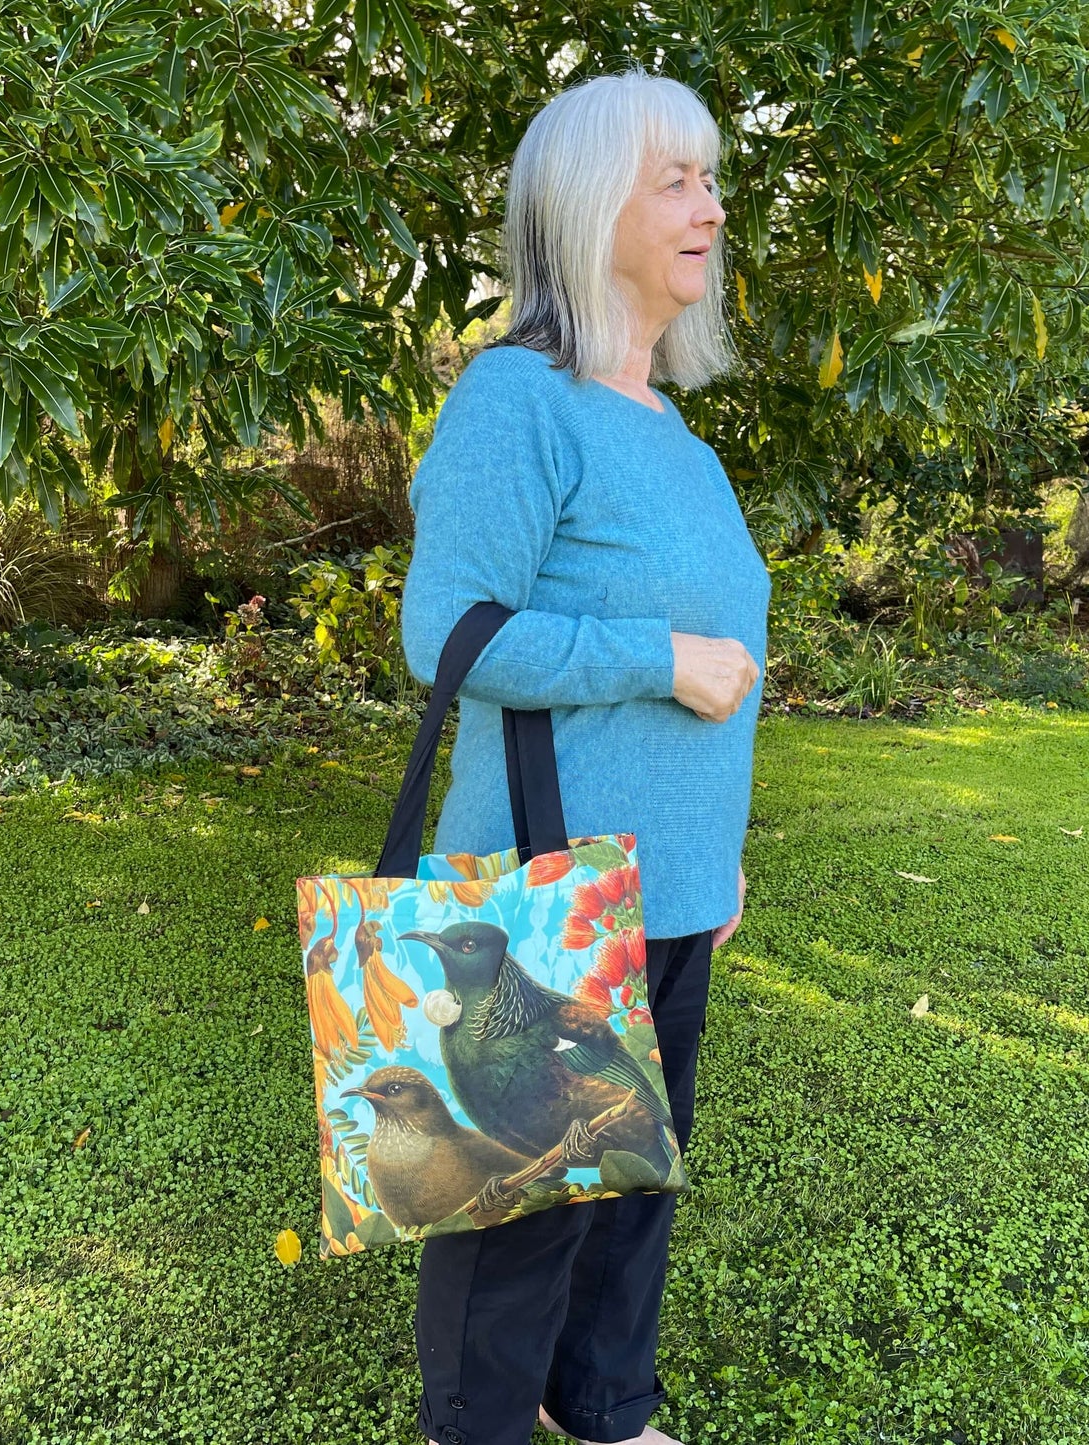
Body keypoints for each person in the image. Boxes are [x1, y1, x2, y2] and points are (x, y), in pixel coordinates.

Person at [398, 61, 771, 1445]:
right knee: (520, 1199)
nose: (709, 207)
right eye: (673, 177)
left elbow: (721, 671)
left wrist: (714, 859)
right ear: (582, 203)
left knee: (630, 1180)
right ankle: (480, 1423)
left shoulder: (680, 436)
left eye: (710, 177)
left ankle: (604, 1404)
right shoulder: (517, 401)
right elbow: (448, 631)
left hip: (666, 888)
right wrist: (655, 656)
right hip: (547, 881)